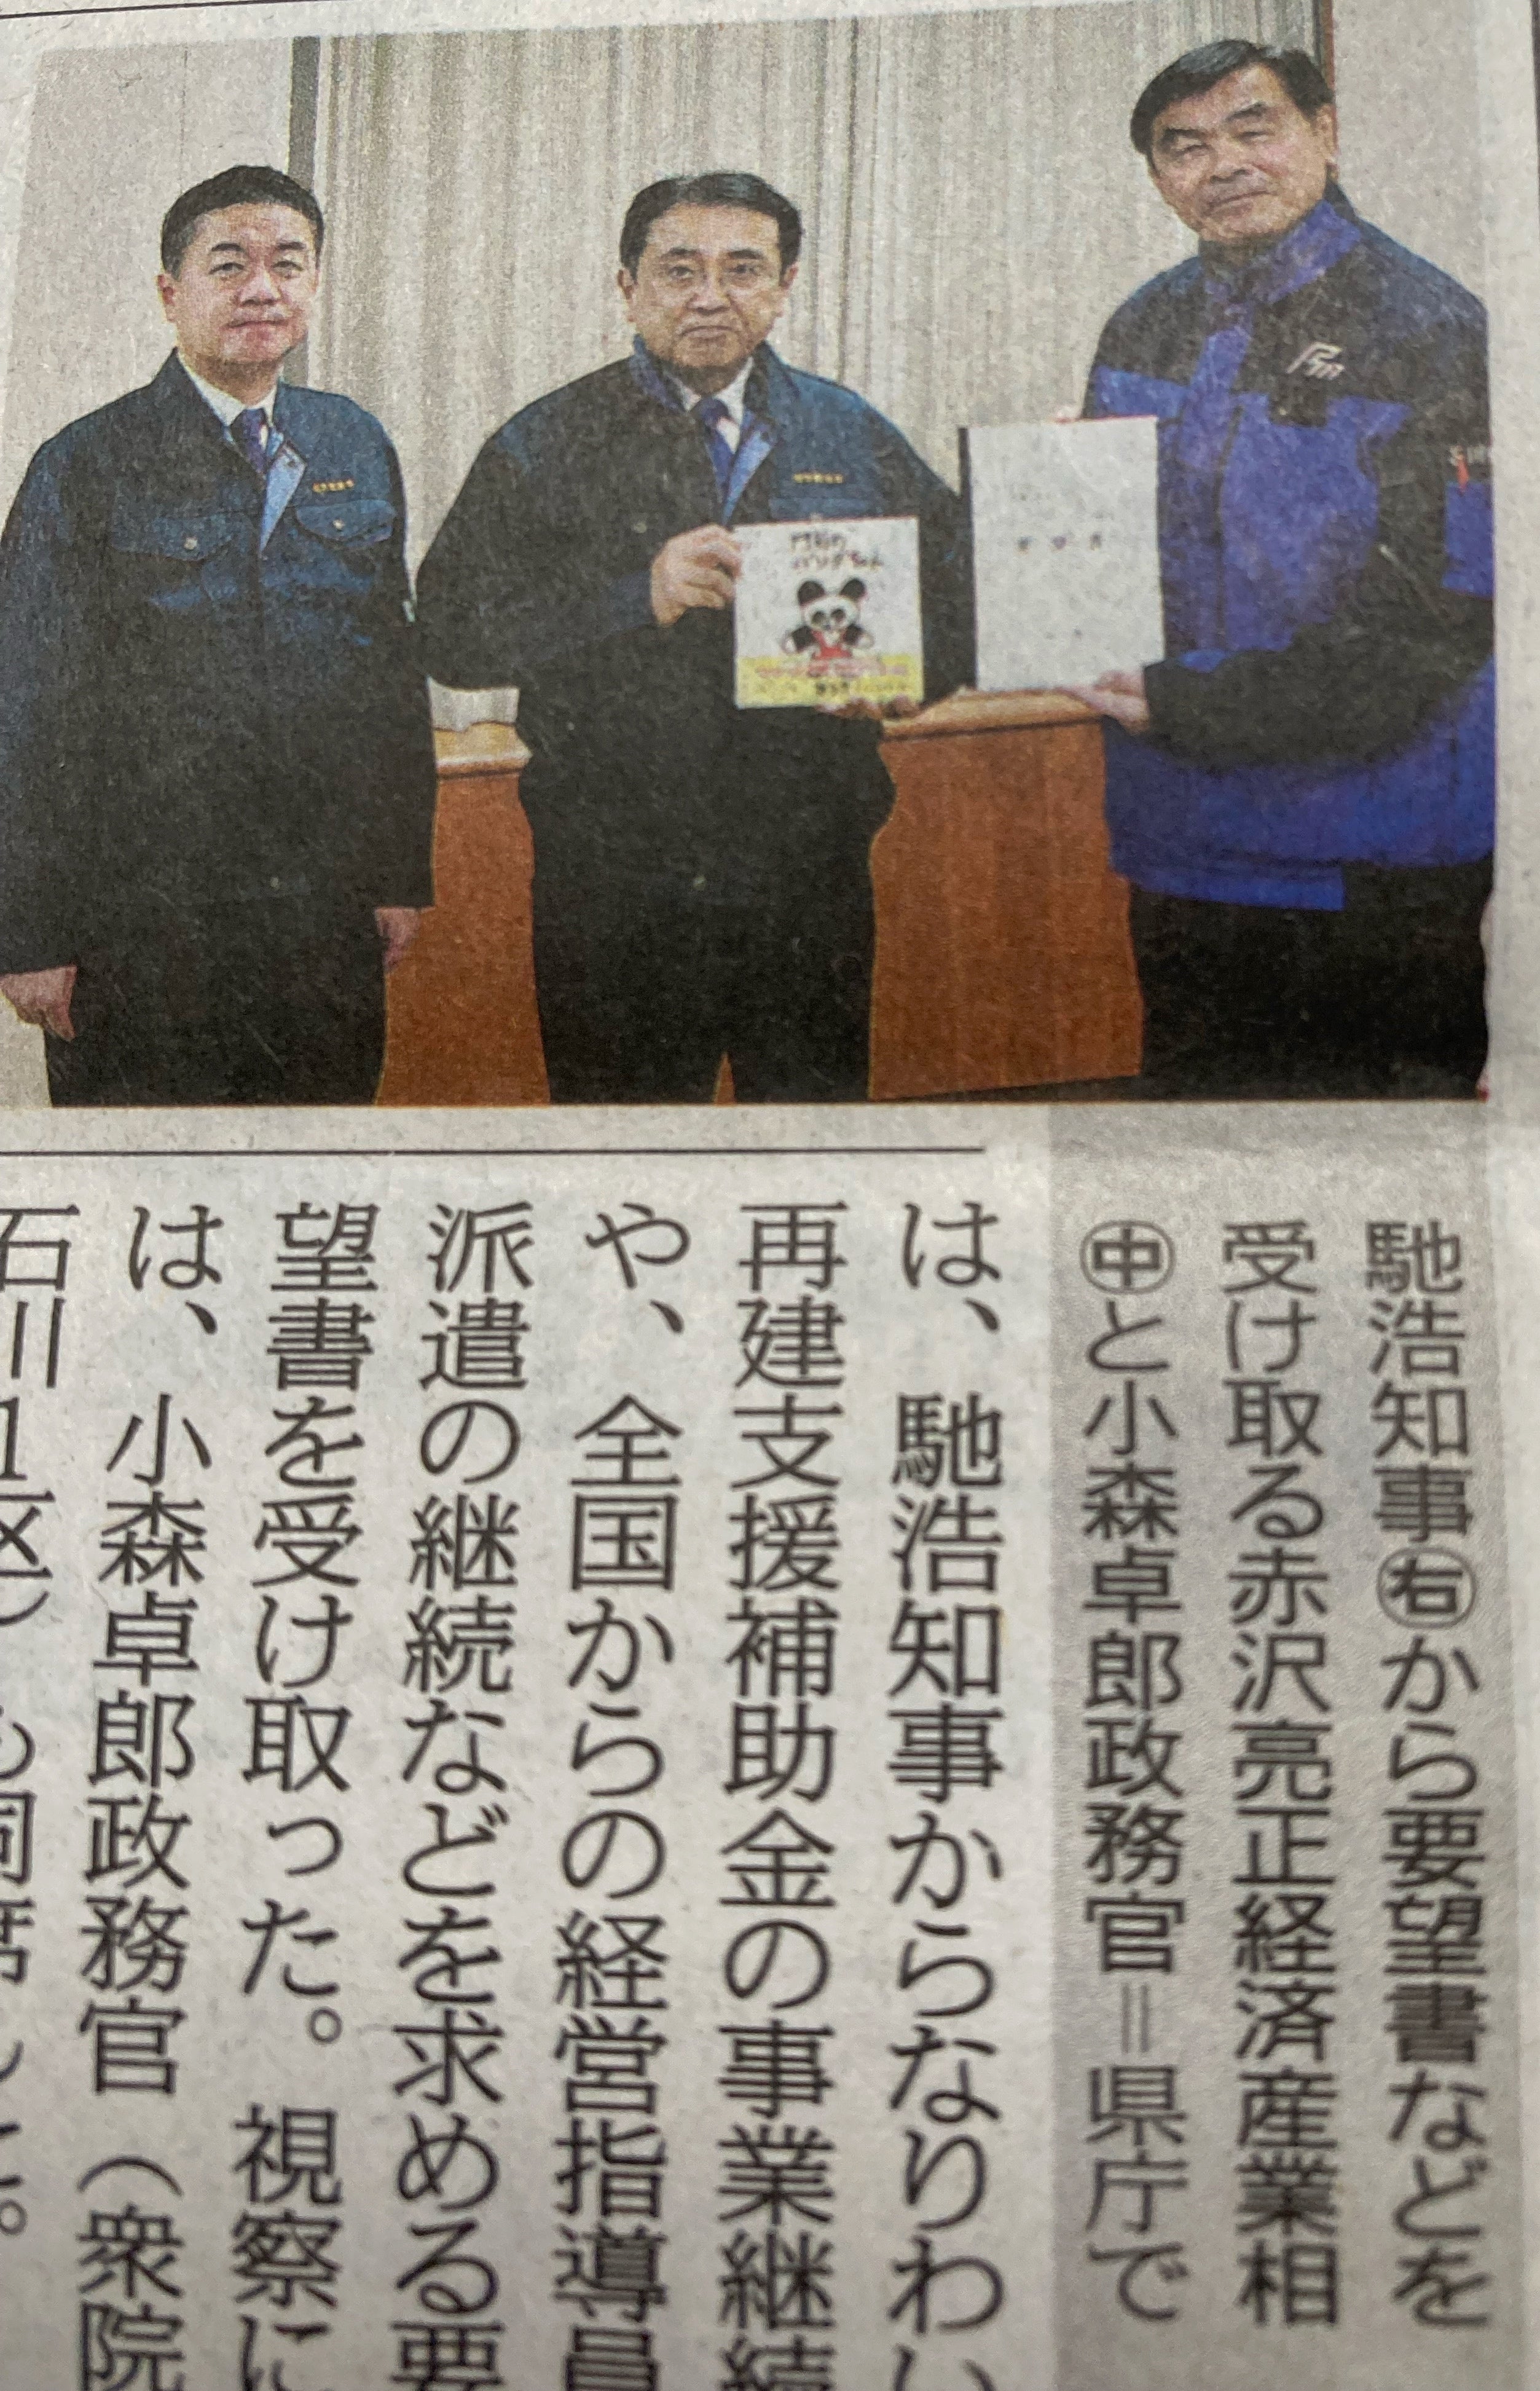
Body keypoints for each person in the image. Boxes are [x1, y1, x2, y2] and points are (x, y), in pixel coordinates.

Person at [416, 170, 970, 1105]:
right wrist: (638, 595)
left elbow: (959, 596)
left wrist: (916, 677)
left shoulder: (846, 429)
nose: (711, 295)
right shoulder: (546, 440)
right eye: (680, 270)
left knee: (805, 1147)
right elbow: (449, 631)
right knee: (625, 1151)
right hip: (615, 882)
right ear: (628, 288)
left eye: (742, 269)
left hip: (808, 873)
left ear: (784, 287)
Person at [1067, 41, 1494, 1099]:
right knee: (1201, 1156)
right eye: (1184, 147)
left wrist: (1189, 704)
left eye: (1252, 129)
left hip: (1372, 852)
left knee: (1378, 1173)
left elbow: (1437, 620)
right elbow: (1096, 561)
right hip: (1181, 842)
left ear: (1325, 134)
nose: (1222, 164)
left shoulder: (1431, 328)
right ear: (1157, 177)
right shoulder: (1142, 323)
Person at [0, 164, 437, 1106]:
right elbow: (21, 708)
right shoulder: (85, 464)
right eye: (229, 264)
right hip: (144, 926)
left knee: (310, 1165)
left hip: (322, 915)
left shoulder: (352, 443)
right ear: (172, 293)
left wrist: (398, 873)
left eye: (289, 264)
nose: (262, 289)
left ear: (315, 285)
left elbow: (389, 683)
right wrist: (28, 933)